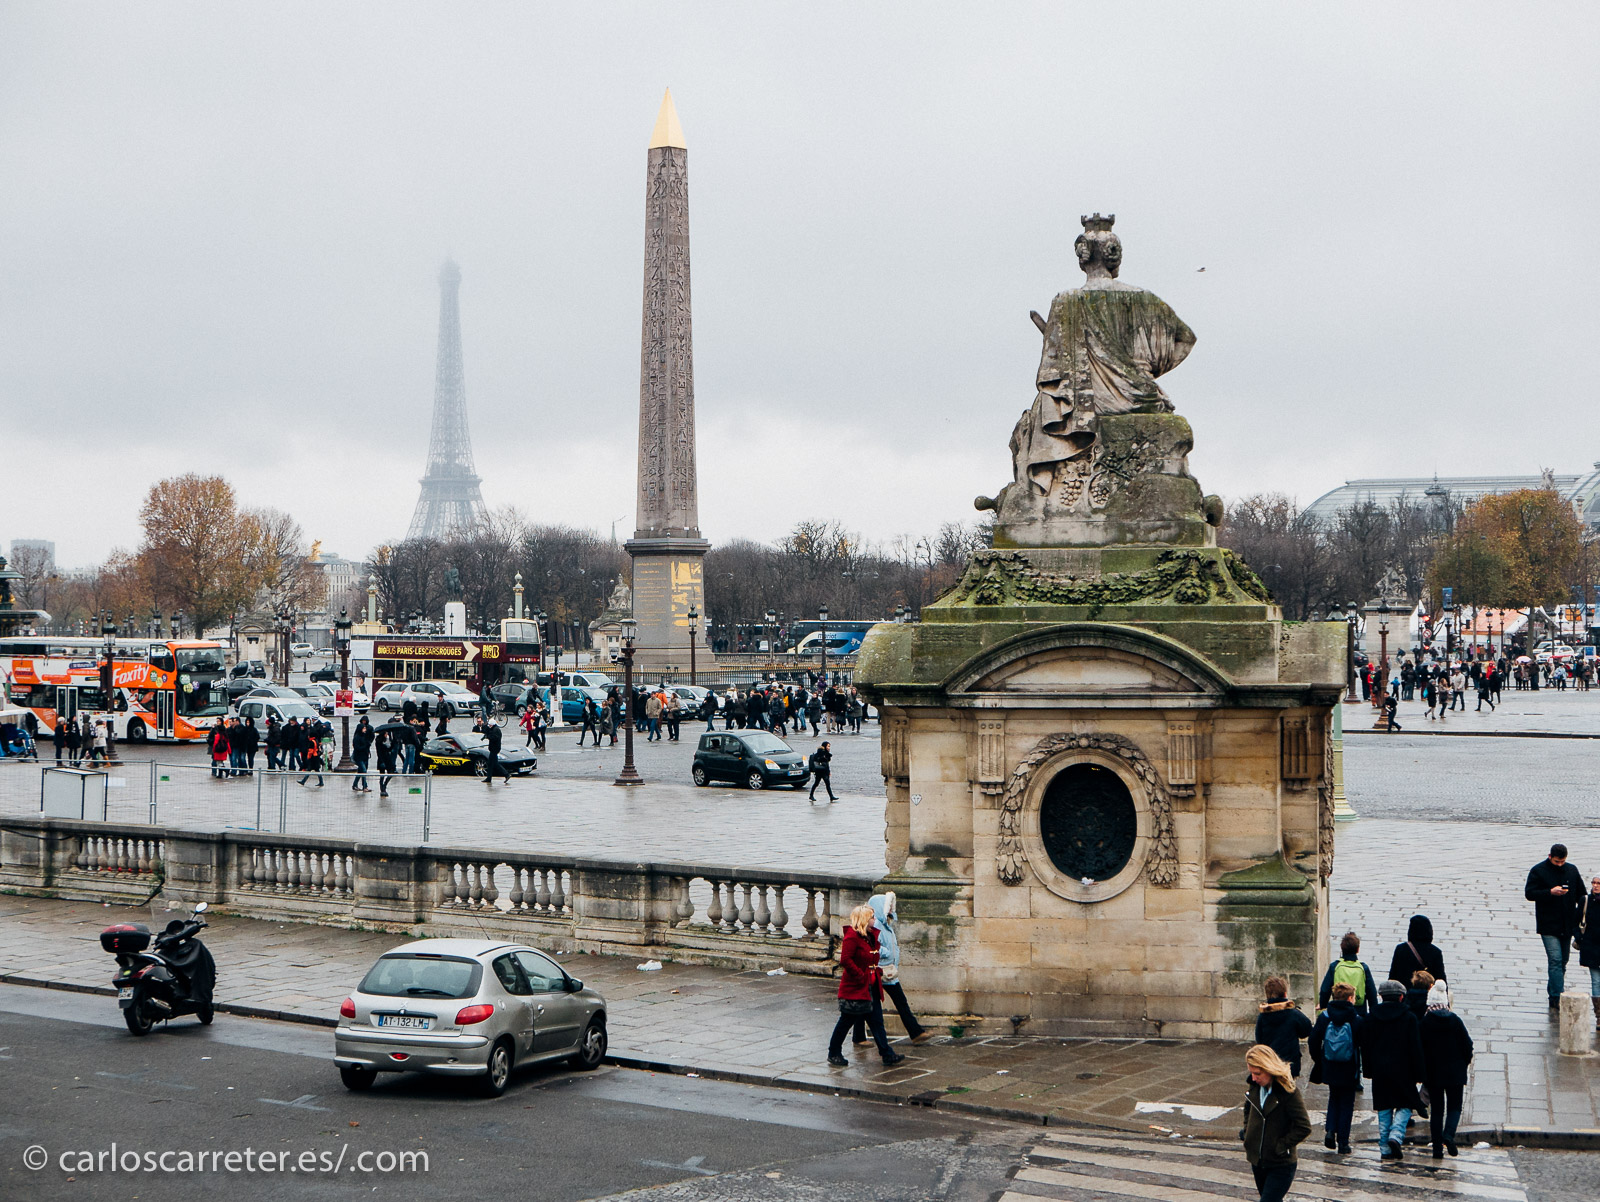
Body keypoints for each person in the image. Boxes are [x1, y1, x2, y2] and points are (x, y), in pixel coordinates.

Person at [826, 905, 905, 1068]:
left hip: (871, 985)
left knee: (877, 1021)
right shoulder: (851, 937)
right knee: (846, 1021)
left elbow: (870, 958)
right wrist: (861, 975)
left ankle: (887, 1054)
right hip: (856, 987)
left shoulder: (869, 936)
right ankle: (834, 1053)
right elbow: (846, 960)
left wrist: (878, 970)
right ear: (864, 920)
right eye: (872, 917)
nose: (874, 920)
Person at [850, 892, 931, 1048]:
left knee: (895, 1002)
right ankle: (912, 1033)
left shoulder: (885, 926)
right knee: (873, 1005)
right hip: (879, 971)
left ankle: (915, 1032)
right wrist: (886, 953)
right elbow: (873, 948)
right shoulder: (877, 927)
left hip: (888, 971)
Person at [1360, 979, 1424, 1159]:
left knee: (1384, 1107)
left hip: (1380, 1070)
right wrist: (1419, 1072)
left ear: (1381, 997)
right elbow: (1415, 1048)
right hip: (1404, 1069)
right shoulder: (1409, 1018)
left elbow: (1366, 1046)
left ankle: (1384, 1148)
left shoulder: (1371, 1018)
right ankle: (1396, 1135)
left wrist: (1368, 1070)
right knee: (1406, 1104)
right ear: (1401, 997)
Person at [1239, 1045, 1310, 1202]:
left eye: (1258, 1073)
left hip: (1281, 1164)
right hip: (1257, 1161)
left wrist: (1280, 1146)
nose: (1254, 1077)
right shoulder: (1254, 1087)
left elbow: (1303, 1127)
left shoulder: (1288, 1092)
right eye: (1251, 1072)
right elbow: (1248, 1111)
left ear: (1269, 1068)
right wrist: (1248, 1133)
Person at [1526, 843, 1585, 1007]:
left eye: (1563, 861)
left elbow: (1581, 895)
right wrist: (1549, 892)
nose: (1560, 864)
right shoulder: (1538, 870)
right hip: (1548, 924)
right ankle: (1557, 997)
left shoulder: (1572, 870)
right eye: (1557, 861)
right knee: (1555, 960)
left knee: (1563, 960)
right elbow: (1529, 893)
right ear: (1550, 856)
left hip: (1567, 924)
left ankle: (1554, 988)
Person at [1419, 980, 1473, 1158]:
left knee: (1437, 1111)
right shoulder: (1455, 1021)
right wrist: (1464, 1063)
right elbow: (1467, 1045)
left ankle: (1436, 1149)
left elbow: (1420, 1048)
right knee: (1455, 1106)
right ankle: (1448, 1135)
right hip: (1455, 1072)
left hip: (1434, 1074)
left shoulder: (1425, 1022)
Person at [1309, 981, 1363, 1154]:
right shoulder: (1355, 1019)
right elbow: (1363, 1042)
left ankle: (1330, 1131)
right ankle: (1344, 1142)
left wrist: (1319, 1059)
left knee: (1334, 1098)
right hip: (1349, 1066)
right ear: (1349, 998)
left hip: (1330, 1064)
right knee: (1347, 1102)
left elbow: (1313, 1040)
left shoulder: (1325, 1017)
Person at [1254, 976, 1313, 1078]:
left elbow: (1259, 1039)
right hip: (1289, 1064)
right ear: (1285, 993)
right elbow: (1307, 1030)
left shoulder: (1262, 1017)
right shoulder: (1293, 1014)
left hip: (1270, 1063)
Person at [1318, 931, 1379, 1016]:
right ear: (1358, 950)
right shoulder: (1363, 968)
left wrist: (1322, 1005)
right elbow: (1371, 992)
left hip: (1337, 1008)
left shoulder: (1335, 966)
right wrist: (1374, 1012)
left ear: (1341, 948)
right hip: (1358, 1010)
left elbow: (1325, 989)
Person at [1388, 914, 1447, 985]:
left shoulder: (1401, 949)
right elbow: (1441, 980)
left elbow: (1393, 977)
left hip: (1405, 994)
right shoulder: (1435, 952)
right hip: (1427, 994)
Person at [1580, 875, 1600, 1032]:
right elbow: (1577, 919)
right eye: (1594, 883)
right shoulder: (1586, 900)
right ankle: (1599, 1016)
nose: (1595, 886)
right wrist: (1580, 937)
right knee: (1596, 981)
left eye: (1598, 883)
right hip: (1592, 947)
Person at [483, 719, 510, 785]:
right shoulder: (494, 729)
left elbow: (494, 738)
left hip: (494, 749)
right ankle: (489, 778)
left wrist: (488, 737)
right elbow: (486, 731)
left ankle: (506, 774)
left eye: (489, 724)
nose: (489, 726)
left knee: (494, 763)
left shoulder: (496, 730)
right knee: (490, 764)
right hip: (493, 749)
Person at [351, 716, 373, 793]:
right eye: (363, 728)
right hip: (359, 756)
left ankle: (355, 784)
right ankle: (365, 786)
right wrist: (365, 746)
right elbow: (357, 747)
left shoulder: (365, 736)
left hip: (365, 755)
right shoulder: (357, 737)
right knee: (363, 770)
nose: (365, 730)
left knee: (361, 771)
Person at [374, 726, 397, 798]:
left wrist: (393, 743)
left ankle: (384, 785)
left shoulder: (386, 740)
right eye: (386, 733)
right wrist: (381, 761)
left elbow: (389, 749)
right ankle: (382, 789)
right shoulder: (378, 741)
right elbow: (379, 752)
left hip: (387, 759)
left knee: (391, 772)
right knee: (382, 775)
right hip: (382, 759)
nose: (387, 734)